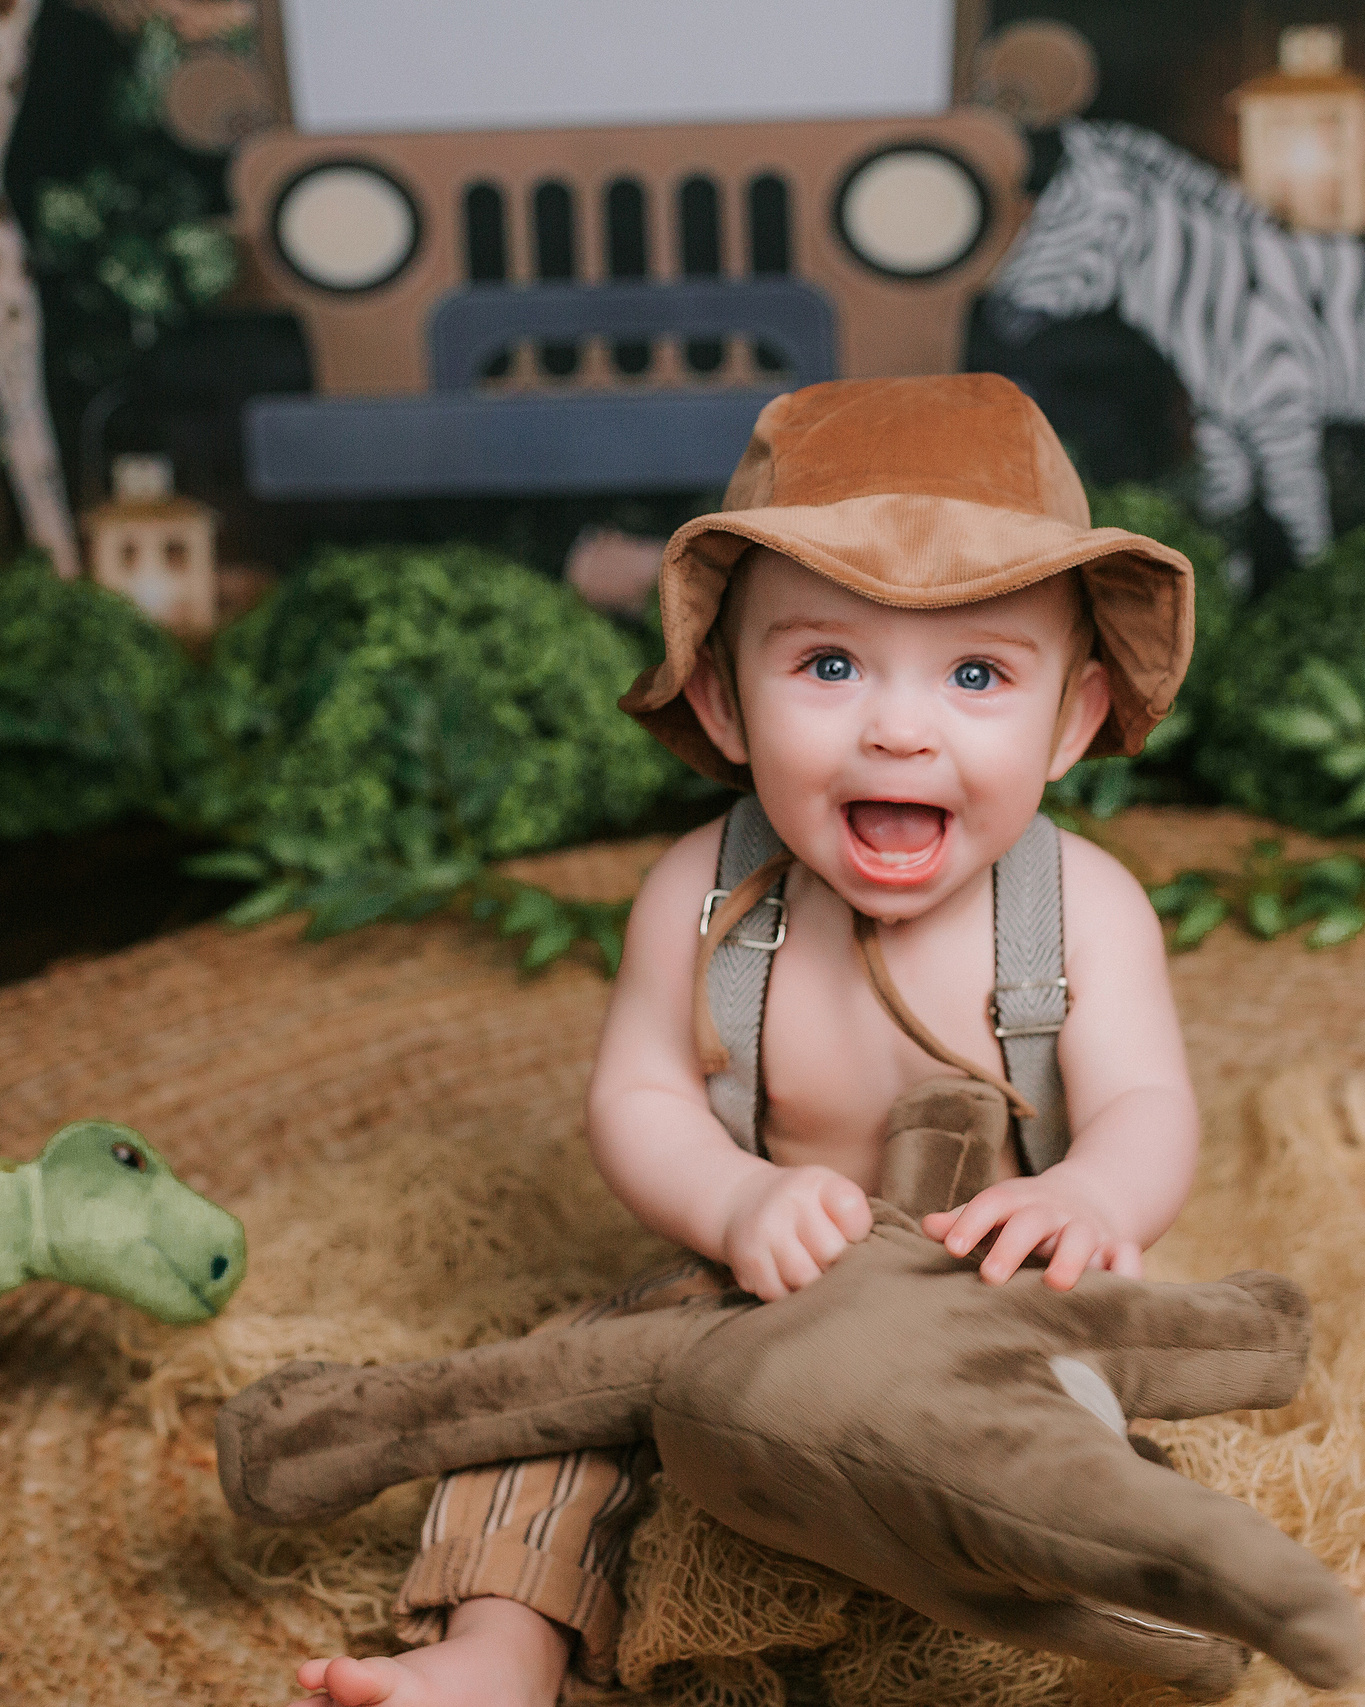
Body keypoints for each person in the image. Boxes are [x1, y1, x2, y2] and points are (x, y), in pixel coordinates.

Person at [290, 373, 1200, 1707]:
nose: (899, 723)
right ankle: (494, 1653)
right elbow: (640, 1098)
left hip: (1003, 1285)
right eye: (828, 665)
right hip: (753, 1281)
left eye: (976, 672)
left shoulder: (1084, 911)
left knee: (1072, 1448)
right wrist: (738, 1199)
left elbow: (1147, 1107)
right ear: (723, 705)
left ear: (1070, 718)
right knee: (553, 1404)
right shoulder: (705, 897)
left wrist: (1086, 1195)